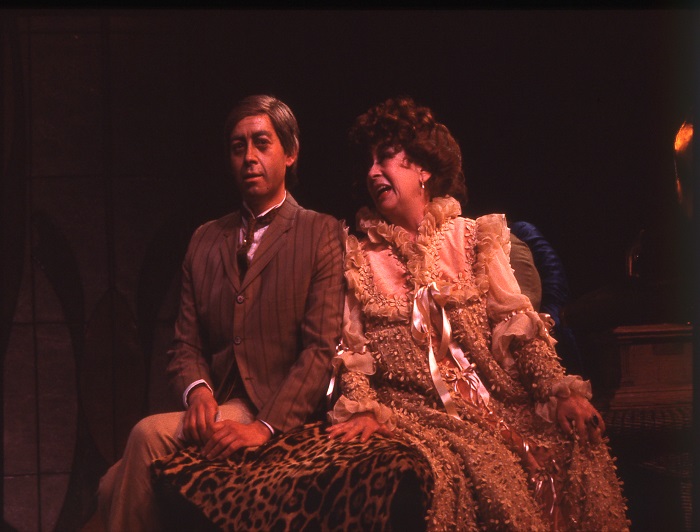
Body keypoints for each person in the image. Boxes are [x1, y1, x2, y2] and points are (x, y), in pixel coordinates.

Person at [326, 96, 629, 530]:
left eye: (386, 157)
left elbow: (517, 328)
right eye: (368, 163)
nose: (373, 172)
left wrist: (561, 392)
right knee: (489, 473)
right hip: (421, 413)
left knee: (576, 443)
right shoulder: (358, 258)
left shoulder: (472, 238)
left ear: (423, 168)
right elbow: (350, 350)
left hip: (499, 403)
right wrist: (363, 409)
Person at [97, 94, 345, 531]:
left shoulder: (319, 232)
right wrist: (198, 391)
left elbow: (319, 351)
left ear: (290, 153)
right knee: (108, 486)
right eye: (237, 147)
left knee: (145, 435)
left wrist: (265, 426)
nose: (249, 157)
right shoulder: (205, 239)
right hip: (217, 405)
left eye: (262, 143)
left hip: (271, 407)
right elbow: (186, 345)